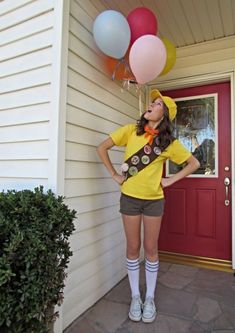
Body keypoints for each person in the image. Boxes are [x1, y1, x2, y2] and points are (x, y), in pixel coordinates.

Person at [97, 89, 200, 323]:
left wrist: (170, 180)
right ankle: (136, 297)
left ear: (164, 115)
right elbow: (101, 147)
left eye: (157, 104)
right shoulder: (130, 131)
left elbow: (194, 163)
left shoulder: (168, 144)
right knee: (133, 247)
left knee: (151, 249)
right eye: (151, 102)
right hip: (130, 199)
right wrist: (114, 174)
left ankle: (150, 298)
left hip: (154, 201)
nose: (151, 105)